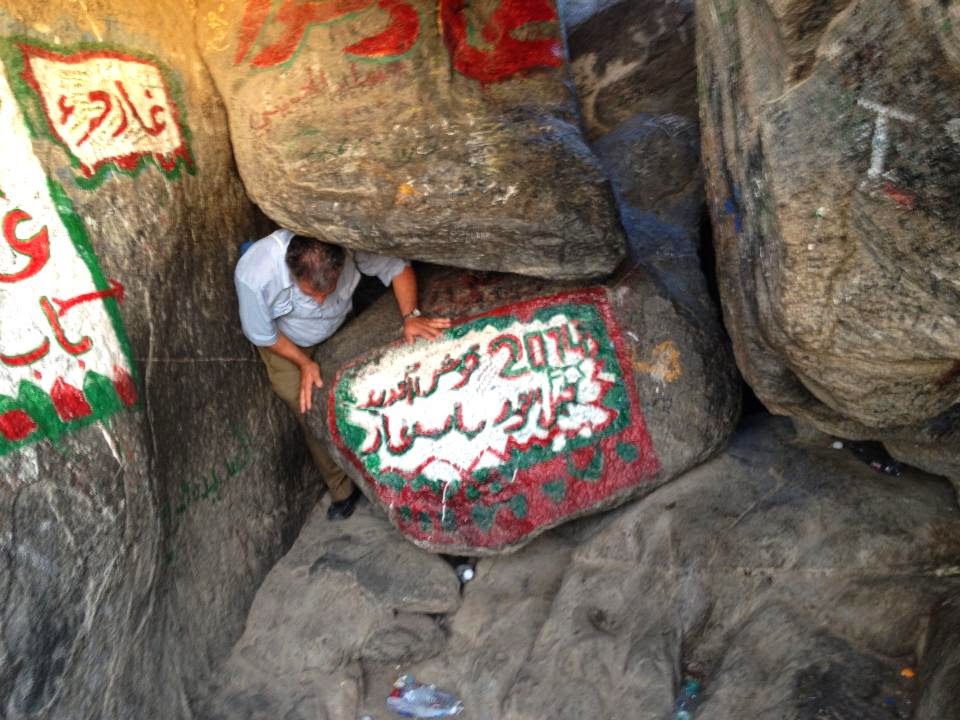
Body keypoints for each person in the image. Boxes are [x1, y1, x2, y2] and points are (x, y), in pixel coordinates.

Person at [235, 228, 450, 520]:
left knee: (362, 393)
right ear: (291, 271)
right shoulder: (256, 275)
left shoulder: (347, 240)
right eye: (312, 294)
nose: (322, 300)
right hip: (288, 343)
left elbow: (396, 267)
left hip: (341, 327)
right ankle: (342, 488)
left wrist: (411, 317)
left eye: (329, 290)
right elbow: (262, 334)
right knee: (311, 408)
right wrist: (304, 363)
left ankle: (387, 472)